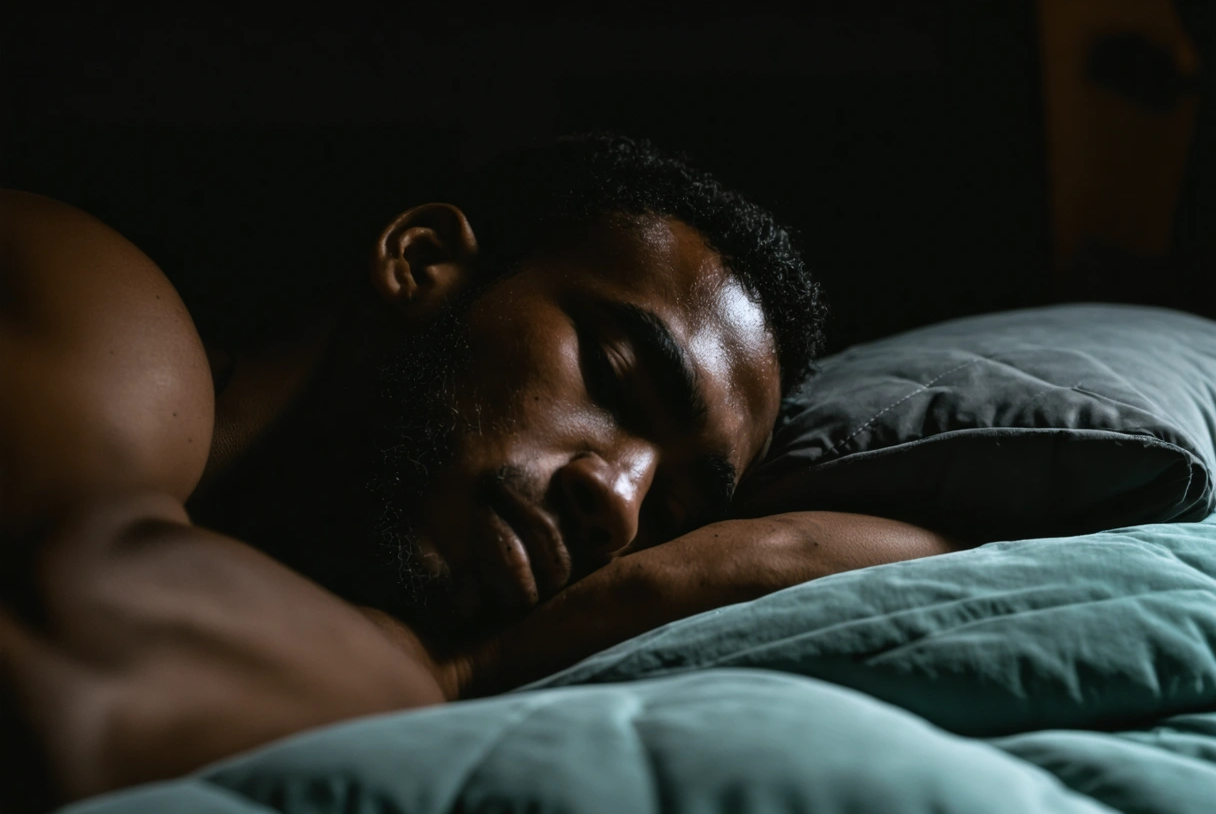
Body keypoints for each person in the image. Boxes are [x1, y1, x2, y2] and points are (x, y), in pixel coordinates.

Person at [0, 133, 955, 809]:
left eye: (669, 507)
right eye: (617, 377)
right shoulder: (94, 304)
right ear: (422, 263)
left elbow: (926, 558)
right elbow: (69, 650)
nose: (618, 504)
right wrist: (463, 668)